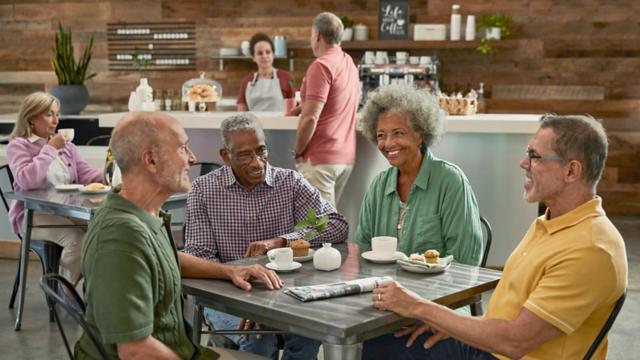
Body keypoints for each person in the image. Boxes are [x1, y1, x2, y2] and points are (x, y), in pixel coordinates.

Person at [364, 114, 628, 360]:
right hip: (489, 346)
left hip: (501, 353)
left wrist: (417, 307)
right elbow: (508, 317)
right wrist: (454, 325)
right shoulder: (550, 223)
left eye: (535, 156)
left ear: (571, 171)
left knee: (373, 351)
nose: (523, 163)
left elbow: (515, 343)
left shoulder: (590, 248)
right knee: (372, 344)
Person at [76, 112, 283, 359]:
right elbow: (135, 351)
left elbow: (163, 258)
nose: (193, 159)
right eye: (183, 148)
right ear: (151, 160)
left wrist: (229, 271)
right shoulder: (120, 237)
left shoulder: (145, 215)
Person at [184, 113, 349, 359]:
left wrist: (282, 241)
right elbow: (199, 257)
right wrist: (245, 302)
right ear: (225, 156)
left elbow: (335, 224)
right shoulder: (204, 190)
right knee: (258, 339)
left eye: (261, 151)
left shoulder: (290, 182)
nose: (256, 162)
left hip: (285, 294)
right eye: (244, 155)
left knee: (308, 335)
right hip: (229, 293)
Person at [355, 84, 482, 266]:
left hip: (436, 291)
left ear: (421, 134)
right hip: (382, 288)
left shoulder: (450, 181)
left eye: (398, 133)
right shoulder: (378, 186)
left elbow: (465, 260)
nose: (388, 143)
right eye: (381, 135)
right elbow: (362, 249)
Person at [7, 92, 103, 285]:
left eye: (57, 114)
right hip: (33, 215)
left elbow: (87, 176)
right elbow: (27, 180)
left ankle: (83, 290)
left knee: (102, 233)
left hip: (65, 210)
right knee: (79, 241)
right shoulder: (19, 146)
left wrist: (113, 170)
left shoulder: (68, 147)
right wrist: (50, 148)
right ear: (32, 118)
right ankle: (66, 292)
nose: (55, 120)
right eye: (49, 114)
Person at [293, 12, 359, 208]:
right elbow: (335, 102)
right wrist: (301, 106)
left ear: (317, 36)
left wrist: (297, 151)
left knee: (319, 229)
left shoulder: (321, 65)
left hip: (321, 159)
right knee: (329, 225)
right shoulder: (349, 64)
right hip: (345, 158)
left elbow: (310, 119)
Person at [237, 32, 296, 112]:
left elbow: (294, 108)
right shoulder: (246, 82)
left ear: (273, 55)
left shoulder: (287, 78)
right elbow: (241, 113)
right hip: (254, 124)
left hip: (280, 124)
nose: (264, 56)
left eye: (268, 52)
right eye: (259, 53)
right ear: (253, 57)